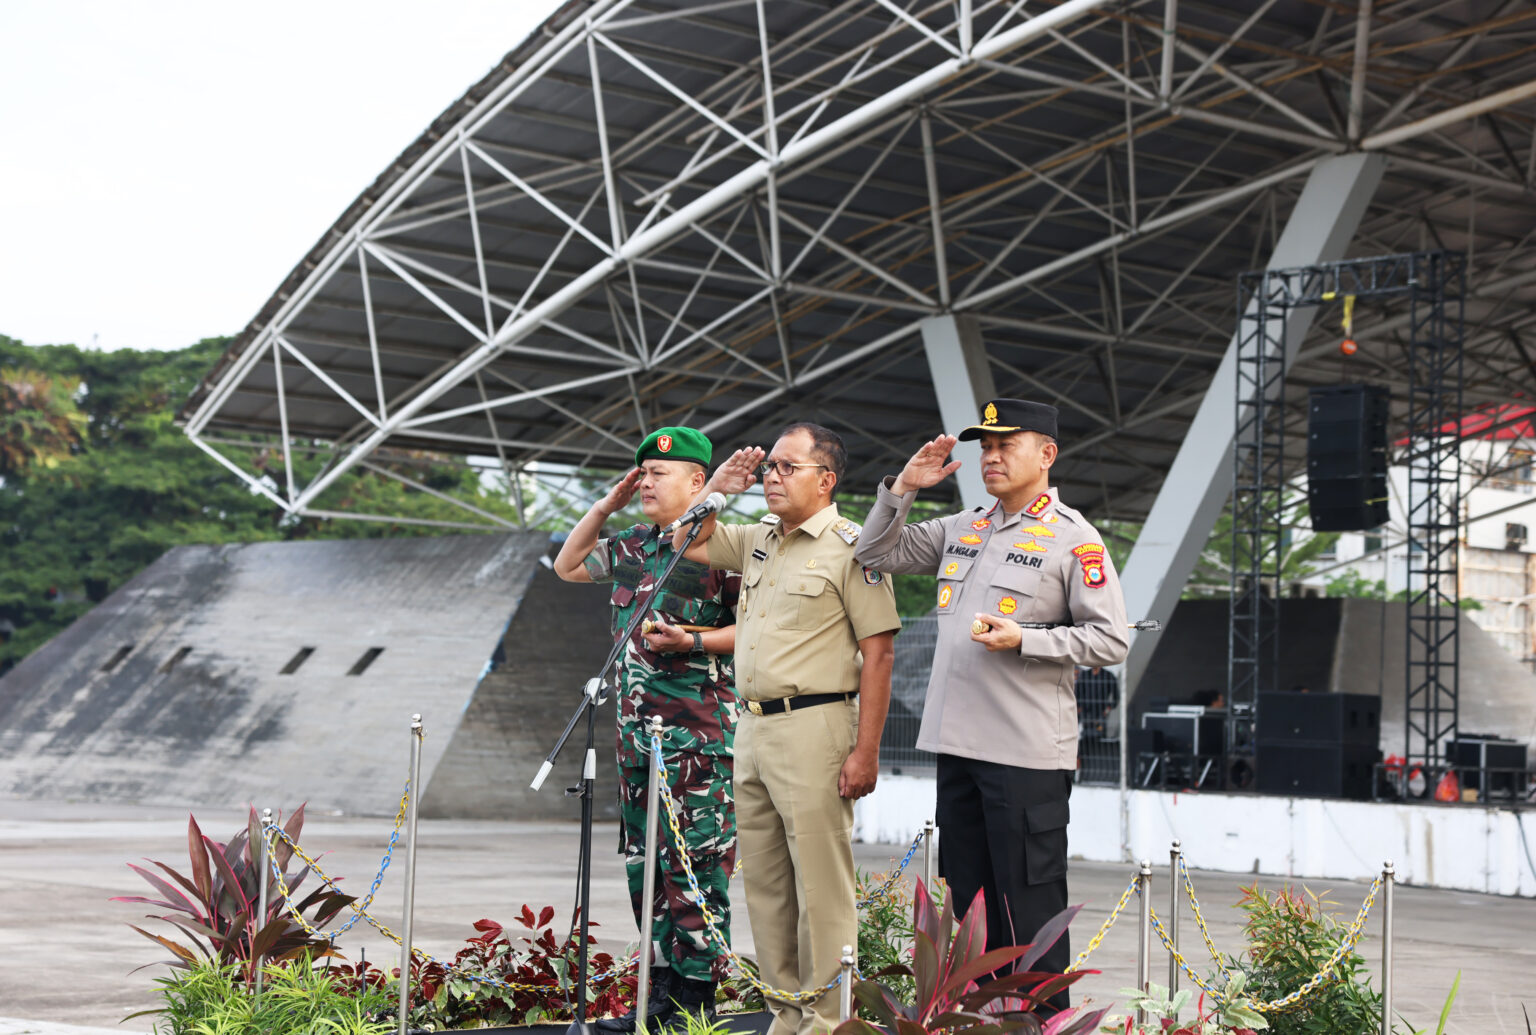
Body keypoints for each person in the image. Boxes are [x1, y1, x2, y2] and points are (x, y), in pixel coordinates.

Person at [853, 399, 1129, 1012]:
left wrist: (1025, 639)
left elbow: (1112, 639)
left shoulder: (1073, 539)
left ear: (1047, 455)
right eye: (986, 447)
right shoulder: (964, 526)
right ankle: (974, 1022)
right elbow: (873, 553)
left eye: (1008, 445)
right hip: (957, 751)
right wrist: (903, 488)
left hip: (1024, 755)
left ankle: (1037, 1025)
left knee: (1026, 913)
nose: (992, 457)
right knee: (969, 912)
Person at [673, 422, 900, 1035]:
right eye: (769, 466)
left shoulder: (857, 546)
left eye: (786, 467)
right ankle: (785, 1014)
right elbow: (683, 541)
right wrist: (716, 488)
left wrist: (866, 750)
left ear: (825, 480)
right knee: (768, 887)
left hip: (817, 726)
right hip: (752, 731)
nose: (771, 476)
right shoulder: (758, 540)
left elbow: (878, 654)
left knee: (822, 888)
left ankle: (826, 1021)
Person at [553, 426, 740, 1031]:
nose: (647, 482)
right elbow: (568, 565)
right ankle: (658, 992)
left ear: (696, 481)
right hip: (635, 739)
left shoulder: (726, 548)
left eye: (661, 474)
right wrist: (605, 505)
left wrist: (693, 639)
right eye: (643, 474)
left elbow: (760, 628)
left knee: (697, 868)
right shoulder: (634, 545)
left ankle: (698, 1000)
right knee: (645, 867)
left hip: (699, 742)